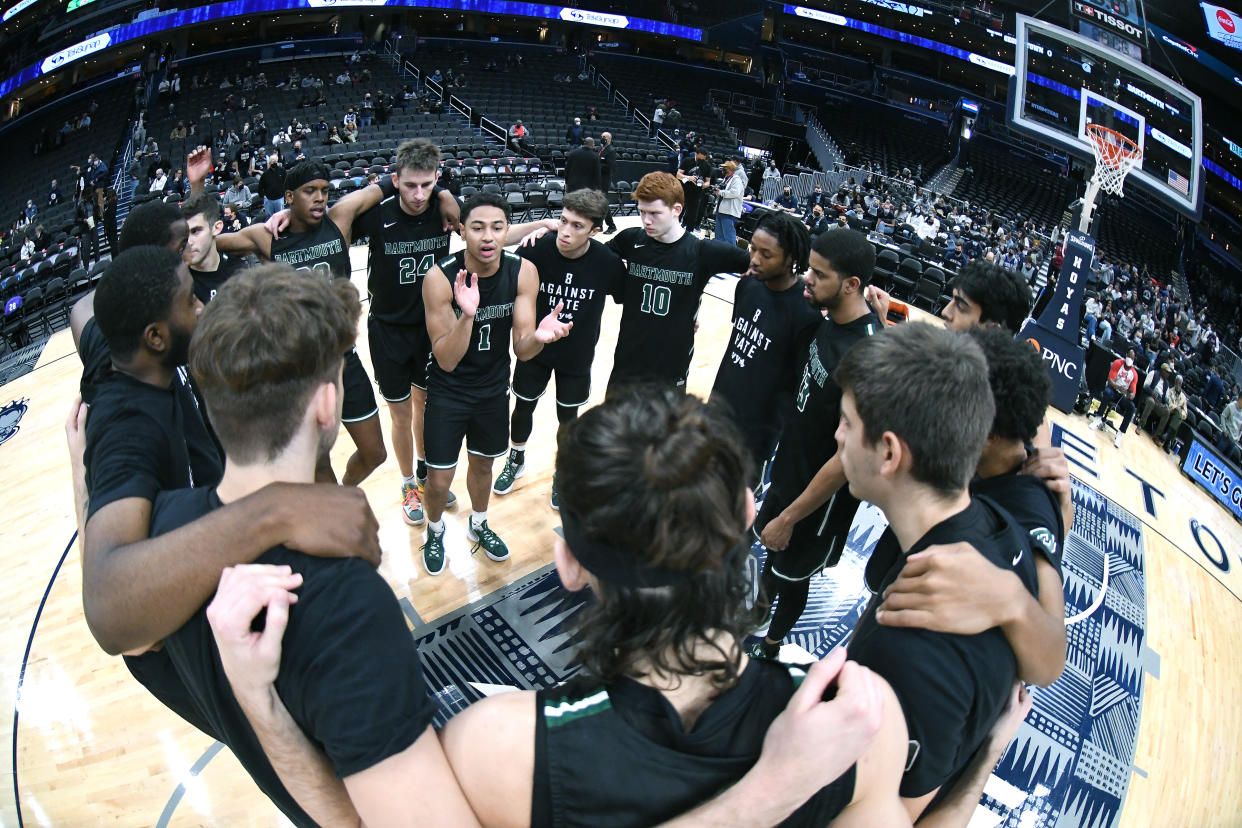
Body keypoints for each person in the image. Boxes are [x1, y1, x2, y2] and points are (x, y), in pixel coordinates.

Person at [205, 386, 934, 826]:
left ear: (570, 563)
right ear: (747, 513)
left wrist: (257, 702)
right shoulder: (861, 722)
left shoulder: (496, 748)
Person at [140, 265, 473, 827]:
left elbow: (135, 650)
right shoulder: (346, 604)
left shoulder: (160, 543)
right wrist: (262, 705)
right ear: (327, 404)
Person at [834, 322, 1039, 819]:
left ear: (888, 452)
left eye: (845, 421)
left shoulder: (905, 651)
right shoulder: (1004, 530)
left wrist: (986, 760)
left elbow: (899, 817)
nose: (837, 435)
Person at [871, 326, 1068, 690]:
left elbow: (1051, 659)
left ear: (987, 431)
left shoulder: (1030, 507)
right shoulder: (977, 453)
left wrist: (1011, 599)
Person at [189, 149, 388, 485]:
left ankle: (342, 492)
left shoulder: (340, 219)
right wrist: (197, 187)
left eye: (324, 190)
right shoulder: (266, 237)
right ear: (289, 197)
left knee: (375, 453)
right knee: (318, 466)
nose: (320, 198)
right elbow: (203, 239)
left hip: (343, 361)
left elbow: (391, 182)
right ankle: (330, 507)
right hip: (299, 371)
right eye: (310, 191)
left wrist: (441, 197)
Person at [417, 192, 572, 575]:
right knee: (438, 479)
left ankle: (479, 523)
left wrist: (540, 337)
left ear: (507, 232)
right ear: (462, 231)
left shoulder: (523, 272)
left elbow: (523, 350)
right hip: (448, 390)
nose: (488, 237)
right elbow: (447, 359)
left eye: (497, 227)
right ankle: (434, 530)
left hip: (492, 390)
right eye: (478, 227)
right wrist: (467, 315)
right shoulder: (438, 278)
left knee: (484, 467)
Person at [749, 228, 881, 661]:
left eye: (819, 275)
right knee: (770, 557)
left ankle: (770, 647)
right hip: (790, 471)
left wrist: (789, 517)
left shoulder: (865, 359)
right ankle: (757, 610)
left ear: (851, 285)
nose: (808, 278)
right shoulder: (832, 319)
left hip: (817, 505)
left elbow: (846, 461)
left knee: (793, 578)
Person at [348, 139, 461, 525]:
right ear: (395, 180)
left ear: (437, 179)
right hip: (388, 330)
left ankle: (428, 471)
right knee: (399, 414)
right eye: (409, 185)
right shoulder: (377, 215)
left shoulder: (446, 209)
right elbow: (335, 218)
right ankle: (408, 483)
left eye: (427, 185)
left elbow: (489, 231)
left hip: (431, 328)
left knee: (425, 407)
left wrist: (445, 196)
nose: (418, 194)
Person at [491, 189, 627, 507]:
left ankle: (562, 472)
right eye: (563, 221)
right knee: (522, 407)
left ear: (595, 231)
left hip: (576, 357)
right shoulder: (536, 247)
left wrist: (683, 320)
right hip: (535, 349)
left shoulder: (607, 263)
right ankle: (516, 458)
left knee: (568, 419)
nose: (566, 231)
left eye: (577, 226)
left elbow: (632, 304)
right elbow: (496, 246)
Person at [604, 172, 748, 394]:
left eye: (655, 213)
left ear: (677, 210)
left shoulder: (701, 251)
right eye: (642, 212)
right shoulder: (631, 240)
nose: (646, 221)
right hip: (627, 363)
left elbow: (757, 263)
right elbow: (595, 258)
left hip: (670, 370)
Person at [711, 211, 821, 478]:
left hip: (755, 434)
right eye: (752, 249)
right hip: (716, 411)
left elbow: (795, 386)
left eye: (767, 254)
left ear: (792, 260)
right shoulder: (747, 284)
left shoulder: (806, 314)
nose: (755, 260)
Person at [182, 191, 248, 303]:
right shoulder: (178, 281)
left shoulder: (238, 273)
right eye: (184, 233)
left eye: (195, 231)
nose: (189, 242)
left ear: (216, 228)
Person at [1091, 348, 1139, 449]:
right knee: (1107, 393)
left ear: (1134, 360)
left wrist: (1130, 395)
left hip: (1122, 396)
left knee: (1132, 407)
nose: (1130, 359)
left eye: (1132, 358)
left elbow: (1133, 394)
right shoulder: (1118, 363)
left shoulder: (1134, 374)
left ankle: (1120, 434)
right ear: (1126, 355)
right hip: (1113, 389)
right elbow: (1110, 380)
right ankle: (1098, 419)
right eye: (1129, 356)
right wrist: (1118, 387)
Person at [714, 160, 746, 247]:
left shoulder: (737, 180)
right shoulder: (726, 179)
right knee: (719, 237)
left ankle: (732, 256)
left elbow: (734, 193)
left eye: (725, 168)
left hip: (729, 212)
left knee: (729, 237)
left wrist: (720, 192)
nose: (723, 169)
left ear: (730, 169)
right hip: (721, 210)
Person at [597, 132, 618, 232]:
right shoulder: (601, 149)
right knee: (599, 202)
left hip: (605, 180)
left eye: (604, 137)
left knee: (603, 203)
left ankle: (612, 226)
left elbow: (610, 167)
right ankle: (599, 225)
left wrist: (597, 165)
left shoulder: (611, 150)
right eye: (601, 137)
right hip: (599, 179)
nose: (602, 138)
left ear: (609, 139)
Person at [258, 154, 286, 218]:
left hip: (279, 198)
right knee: (269, 218)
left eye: (275, 162)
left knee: (280, 217)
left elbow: (286, 182)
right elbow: (260, 187)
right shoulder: (265, 174)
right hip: (268, 200)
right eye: (272, 162)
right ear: (270, 162)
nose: (274, 163)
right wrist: (263, 196)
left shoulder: (282, 171)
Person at [1220, 388, 1242, 455]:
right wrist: (1224, 429)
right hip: (1225, 438)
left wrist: (1238, 438)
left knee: (1225, 462)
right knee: (1216, 456)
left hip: (1233, 442)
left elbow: (1241, 429)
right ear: (1240, 399)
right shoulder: (1231, 406)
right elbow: (1223, 416)